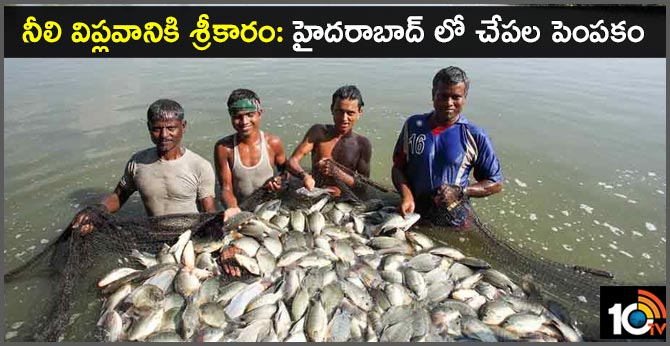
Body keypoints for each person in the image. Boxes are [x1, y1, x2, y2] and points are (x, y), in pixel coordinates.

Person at [72, 98, 217, 234]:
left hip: (189, 235)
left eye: (171, 128)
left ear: (183, 126)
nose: (164, 135)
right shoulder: (138, 162)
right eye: (157, 129)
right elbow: (118, 197)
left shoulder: (199, 166)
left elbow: (209, 211)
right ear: (149, 127)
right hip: (153, 235)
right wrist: (98, 210)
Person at [391, 66, 503, 227]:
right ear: (433, 95)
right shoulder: (413, 125)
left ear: (465, 98)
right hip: (412, 213)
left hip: (453, 220)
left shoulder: (475, 135)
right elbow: (398, 168)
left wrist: (462, 191)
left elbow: (496, 183)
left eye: (456, 97)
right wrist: (407, 196)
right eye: (443, 96)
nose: (449, 103)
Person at [214, 88, 287, 221]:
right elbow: (226, 188)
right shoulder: (224, 148)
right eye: (237, 116)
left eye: (250, 114)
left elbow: (285, 172)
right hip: (241, 207)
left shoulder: (273, 143)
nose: (244, 121)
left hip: (269, 207)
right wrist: (233, 208)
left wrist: (280, 181)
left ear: (259, 114)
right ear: (231, 117)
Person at [287, 85, 372, 196]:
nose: (344, 118)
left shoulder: (362, 144)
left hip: (342, 198)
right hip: (315, 192)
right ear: (332, 109)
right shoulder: (318, 132)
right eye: (339, 111)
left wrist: (338, 173)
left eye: (350, 113)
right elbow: (292, 161)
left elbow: (363, 187)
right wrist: (304, 176)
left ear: (359, 113)